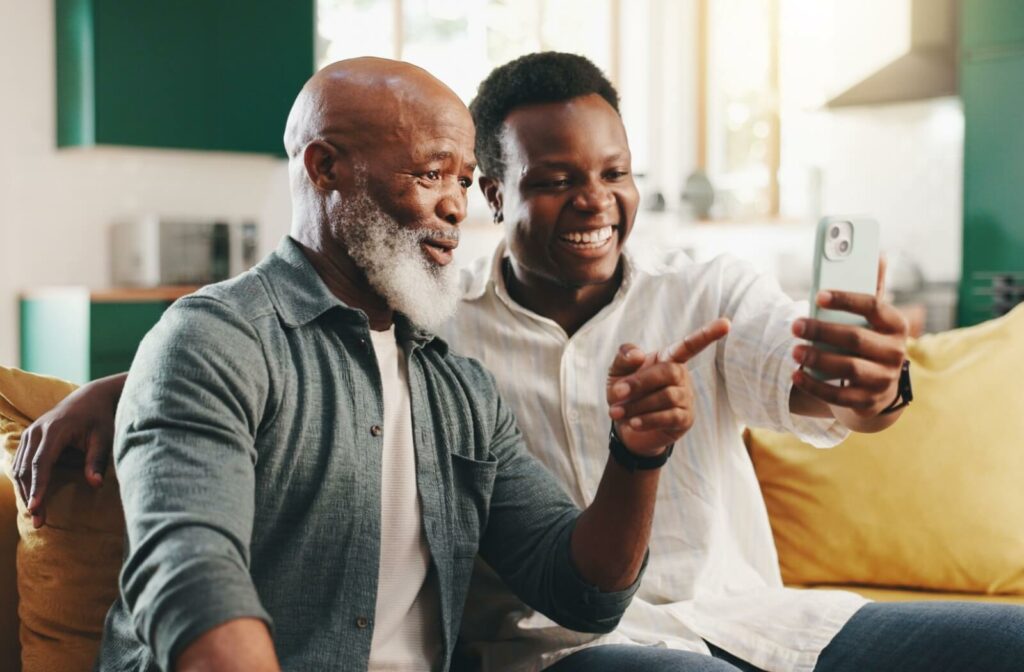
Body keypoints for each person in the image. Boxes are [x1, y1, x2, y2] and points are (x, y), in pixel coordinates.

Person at [16, 53, 1024, 671]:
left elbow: (811, 393)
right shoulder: (393, 330)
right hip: (569, 660)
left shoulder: (459, 364)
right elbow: (196, 567)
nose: (593, 202)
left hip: (756, 621)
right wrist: (137, 379)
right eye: (436, 176)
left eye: (614, 174)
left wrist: (865, 385)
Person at [13, 57, 729, 672]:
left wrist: (638, 456)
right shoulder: (216, 340)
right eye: (429, 173)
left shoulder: (456, 384)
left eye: (465, 179)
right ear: (325, 167)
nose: (455, 206)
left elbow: (582, 592)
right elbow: (194, 582)